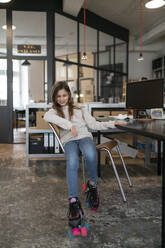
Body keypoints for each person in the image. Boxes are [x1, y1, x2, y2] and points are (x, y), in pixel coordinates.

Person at [44, 81, 124, 232]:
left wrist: (113, 124)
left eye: (64, 95)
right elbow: (47, 116)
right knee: (72, 162)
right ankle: (73, 201)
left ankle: (92, 186)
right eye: (59, 96)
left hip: (84, 137)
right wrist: (69, 126)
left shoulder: (80, 109)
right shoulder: (53, 111)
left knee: (90, 153)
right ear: (55, 97)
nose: (62, 99)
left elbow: (94, 125)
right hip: (69, 141)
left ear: (69, 95)